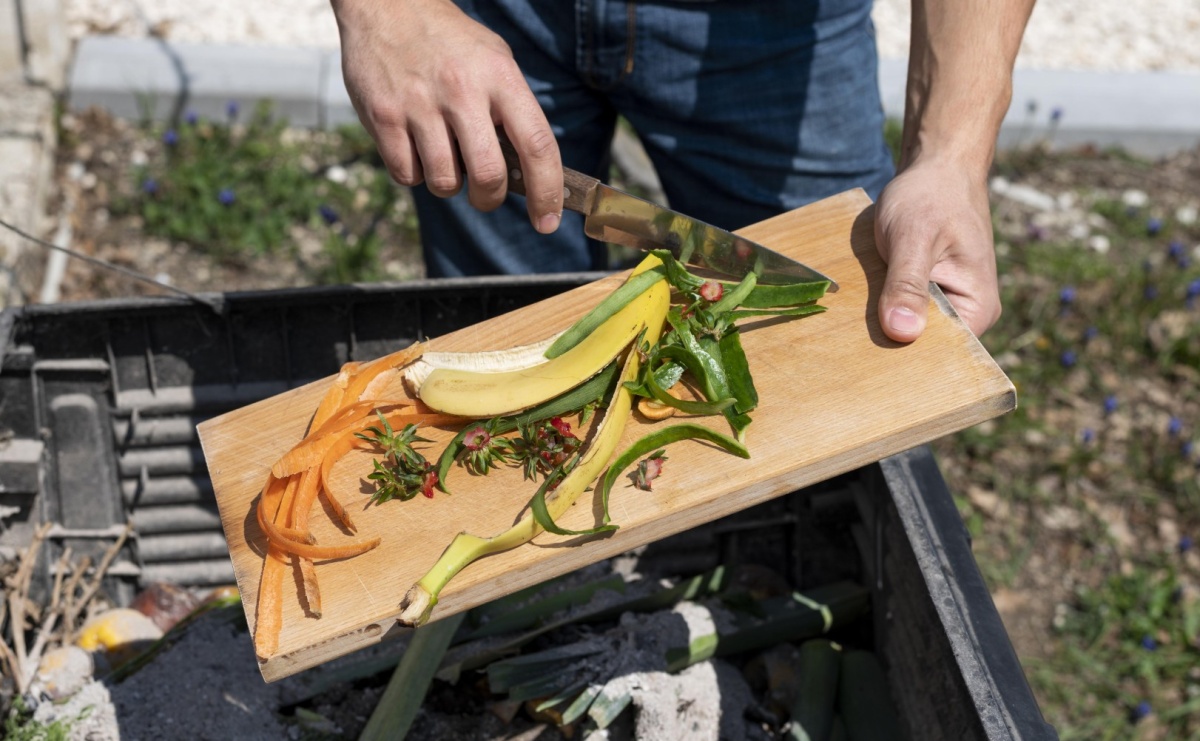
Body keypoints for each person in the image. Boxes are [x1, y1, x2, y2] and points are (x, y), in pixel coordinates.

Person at [330, 0, 1034, 343]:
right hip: (471, 23)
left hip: (773, 28)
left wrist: (951, 152)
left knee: (853, 344)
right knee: (509, 347)